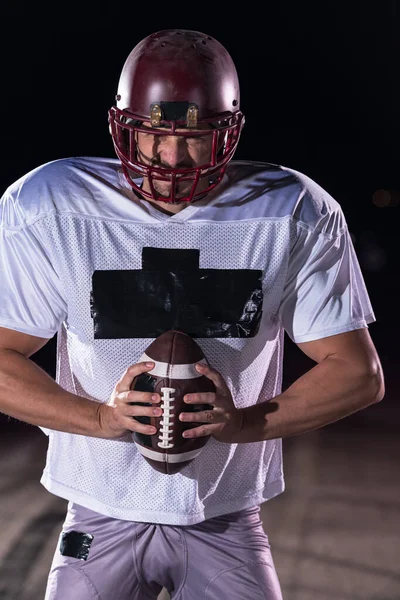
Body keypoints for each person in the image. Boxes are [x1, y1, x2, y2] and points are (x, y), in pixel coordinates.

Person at [0, 28, 384, 600]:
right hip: (99, 509)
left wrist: (245, 424)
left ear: (227, 132)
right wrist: (103, 419)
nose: (173, 157)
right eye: (155, 134)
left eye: (196, 136)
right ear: (123, 126)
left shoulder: (294, 210)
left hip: (225, 515)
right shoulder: (51, 205)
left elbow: (358, 373)